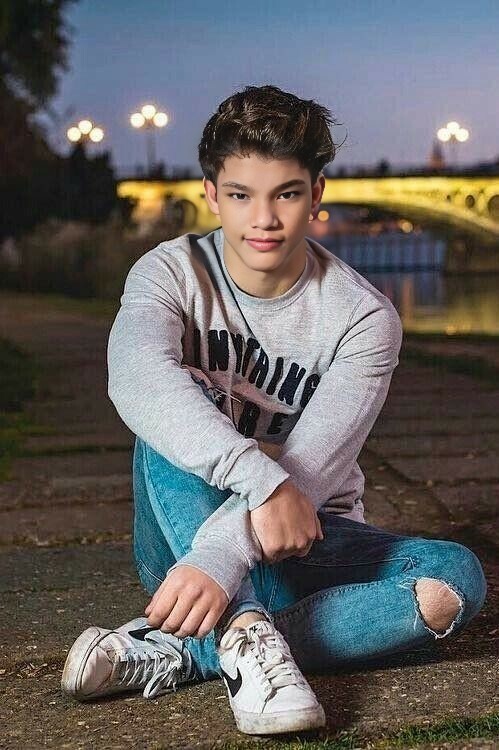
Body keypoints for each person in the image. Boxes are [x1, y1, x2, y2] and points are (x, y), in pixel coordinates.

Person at [61, 84, 487, 736]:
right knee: (175, 405)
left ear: (316, 194)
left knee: (456, 580)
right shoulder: (168, 273)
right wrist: (258, 485)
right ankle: (240, 628)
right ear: (211, 194)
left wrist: (232, 548)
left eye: (285, 194)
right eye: (241, 195)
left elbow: (312, 472)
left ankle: (198, 648)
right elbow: (136, 379)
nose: (263, 219)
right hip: (184, 543)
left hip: (302, 539)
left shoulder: (364, 319)